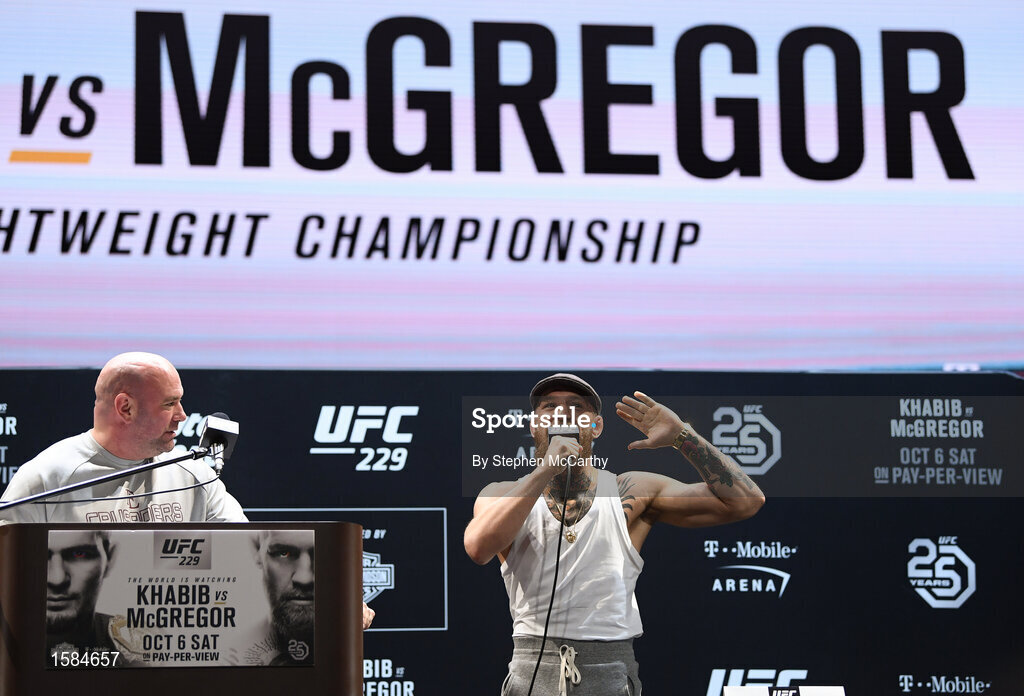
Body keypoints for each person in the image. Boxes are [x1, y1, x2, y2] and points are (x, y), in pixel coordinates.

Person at [464, 373, 766, 696]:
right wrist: (546, 470)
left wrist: (682, 435)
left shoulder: (629, 491)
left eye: (576, 408)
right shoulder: (501, 494)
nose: (562, 414)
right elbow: (478, 548)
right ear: (533, 425)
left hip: (609, 670)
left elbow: (745, 502)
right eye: (549, 407)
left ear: (596, 426)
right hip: (532, 670)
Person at [0, 351, 246, 523]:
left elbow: (246, 554)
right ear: (126, 408)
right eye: (169, 404)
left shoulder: (195, 476)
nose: (181, 415)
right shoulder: (45, 480)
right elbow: (11, 569)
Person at [46, 530, 118, 656]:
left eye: (79, 554)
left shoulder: (138, 645)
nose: (57, 579)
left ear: (109, 560)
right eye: (35, 553)